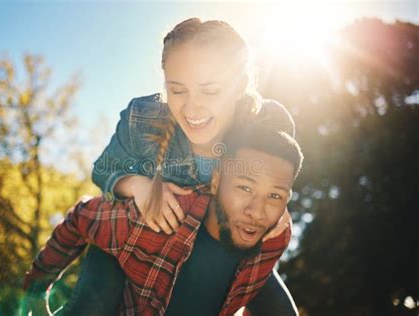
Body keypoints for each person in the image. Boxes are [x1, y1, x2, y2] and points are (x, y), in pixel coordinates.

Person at [65, 17, 298, 315]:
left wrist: (273, 205)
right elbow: (105, 168)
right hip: (143, 242)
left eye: (210, 91)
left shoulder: (265, 123)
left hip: (220, 246)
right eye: (178, 90)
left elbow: (278, 178)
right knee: (96, 290)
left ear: (240, 85)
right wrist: (138, 186)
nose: (192, 107)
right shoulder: (144, 117)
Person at [22, 119, 304, 315]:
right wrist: (34, 292)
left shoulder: (275, 237)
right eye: (245, 188)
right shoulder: (160, 217)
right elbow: (82, 218)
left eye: (275, 196)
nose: (257, 211)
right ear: (216, 181)